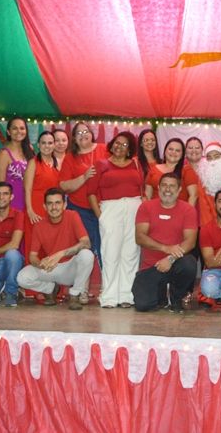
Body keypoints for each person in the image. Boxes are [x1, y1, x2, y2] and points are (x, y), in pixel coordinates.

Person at [87, 132, 143, 308]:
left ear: (129, 150)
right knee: (110, 253)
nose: (119, 147)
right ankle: (109, 297)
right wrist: (101, 216)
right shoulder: (101, 164)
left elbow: (142, 189)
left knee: (131, 253)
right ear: (111, 144)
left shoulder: (136, 164)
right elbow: (90, 192)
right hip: (110, 209)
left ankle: (127, 295)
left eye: (124, 145)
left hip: (134, 208)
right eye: (117, 143)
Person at [17, 188, 94, 310]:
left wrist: (61, 253)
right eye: (50, 203)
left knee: (87, 255)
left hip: (70, 268)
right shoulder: (39, 225)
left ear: (64, 205)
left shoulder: (72, 216)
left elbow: (86, 242)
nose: (54, 207)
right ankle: (50, 289)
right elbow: (32, 256)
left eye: (58, 203)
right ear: (44, 206)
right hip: (50, 268)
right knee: (22, 277)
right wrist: (40, 264)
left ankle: (75, 295)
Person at [132, 173, 198, 313]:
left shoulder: (188, 210)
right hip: (151, 266)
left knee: (189, 264)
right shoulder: (146, 207)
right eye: (164, 185)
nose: (167, 189)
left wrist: (170, 258)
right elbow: (140, 237)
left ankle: (176, 298)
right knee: (143, 305)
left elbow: (190, 242)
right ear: (158, 187)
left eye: (172, 186)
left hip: (175, 263)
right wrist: (165, 248)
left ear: (179, 189)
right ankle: (162, 296)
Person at [59, 122, 109, 263]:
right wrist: (84, 177)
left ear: (91, 134)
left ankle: (106, 275)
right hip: (80, 210)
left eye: (86, 131)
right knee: (86, 248)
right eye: (79, 133)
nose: (83, 135)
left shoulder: (104, 149)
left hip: (104, 208)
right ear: (74, 138)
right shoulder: (70, 157)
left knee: (106, 246)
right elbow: (63, 186)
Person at [23, 131, 60, 260]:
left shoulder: (56, 164)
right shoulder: (33, 163)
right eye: (43, 143)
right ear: (38, 145)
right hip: (35, 210)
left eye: (50, 143)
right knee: (34, 245)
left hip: (51, 210)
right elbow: (27, 189)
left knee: (50, 245)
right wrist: (30, 211)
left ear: (54, 145)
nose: (47, 146)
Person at [0, 117, 34, 212]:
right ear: (8, 132)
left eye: (22, 128)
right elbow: (0, 185)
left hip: (31, 201)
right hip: (12, 204)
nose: (19, 131)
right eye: (14, 128)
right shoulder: (4, 153)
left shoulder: (30, 149)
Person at [144, 138, 198, 206]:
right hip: (155, 210)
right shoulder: (153, 169)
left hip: (179, 211)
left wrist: (188, 212)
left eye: (177, 150)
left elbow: (193, 196)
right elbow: (147, 195)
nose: (173, 152)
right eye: (171, 149)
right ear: (165, 151)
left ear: (182, 154)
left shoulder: (187, 170)